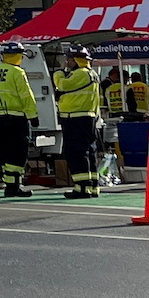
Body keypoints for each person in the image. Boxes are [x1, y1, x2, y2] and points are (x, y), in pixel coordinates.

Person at [51, 50, 101, 198]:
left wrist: (58, 73)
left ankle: (82, 188)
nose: (67, 62)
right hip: (86, 117)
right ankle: (92, 186)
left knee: (77, 153)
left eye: (69, 60)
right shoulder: (90, 73)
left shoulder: (80, 74)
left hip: (76, 118)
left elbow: (63, 85)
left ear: (76, 60)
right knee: (89, 152)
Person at [0, 48, 37, 199]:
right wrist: (33, 115)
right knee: (18, 153)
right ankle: (15, 186)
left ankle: (10, 186)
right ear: (17, 56)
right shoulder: (17, 72)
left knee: (6, 152)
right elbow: (26, 95)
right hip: (16, 118)